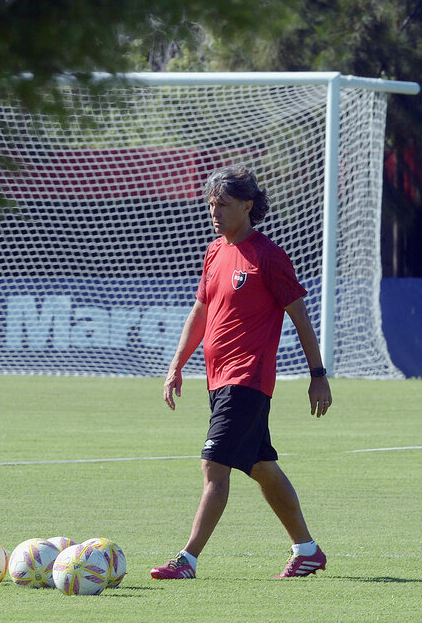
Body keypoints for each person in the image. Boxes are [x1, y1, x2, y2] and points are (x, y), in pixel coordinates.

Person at [150, 165, 333, 580]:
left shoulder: (268, 256)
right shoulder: (215, 251)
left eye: (224, 205)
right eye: (211, 205)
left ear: (248, 206)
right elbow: (201, 310)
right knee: (261, 466)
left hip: (247, 380)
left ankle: (187, 560)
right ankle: (307, 551)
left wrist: (317, 373)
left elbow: (301, 316)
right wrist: (176, 364)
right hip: (217, 381)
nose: (214, 212)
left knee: (213, 465)